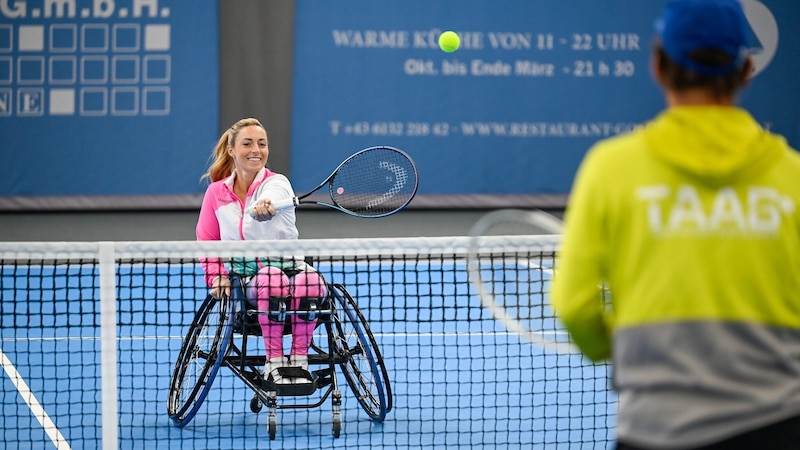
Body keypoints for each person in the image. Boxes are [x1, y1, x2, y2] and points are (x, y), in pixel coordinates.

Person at [551, 0, 800, 448]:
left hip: (656, 428)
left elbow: (575, 306)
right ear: (745, 68)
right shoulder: (793, 175)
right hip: (781, 425)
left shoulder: (611, 168)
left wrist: (614, 349)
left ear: (658, 64)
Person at [196, 117, 327, 385]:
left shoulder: (278, 183)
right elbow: (207, 239)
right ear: (232, 150)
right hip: (248, 280)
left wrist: (267, 205)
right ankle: (275, 362)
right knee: (270, 278)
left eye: (262, 144)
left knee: (312, 279)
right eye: (248, 143)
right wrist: (216, 276)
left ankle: (299, 360)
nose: (256, 149)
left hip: (292, 270)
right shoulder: (216, 193)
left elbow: (275, 195)